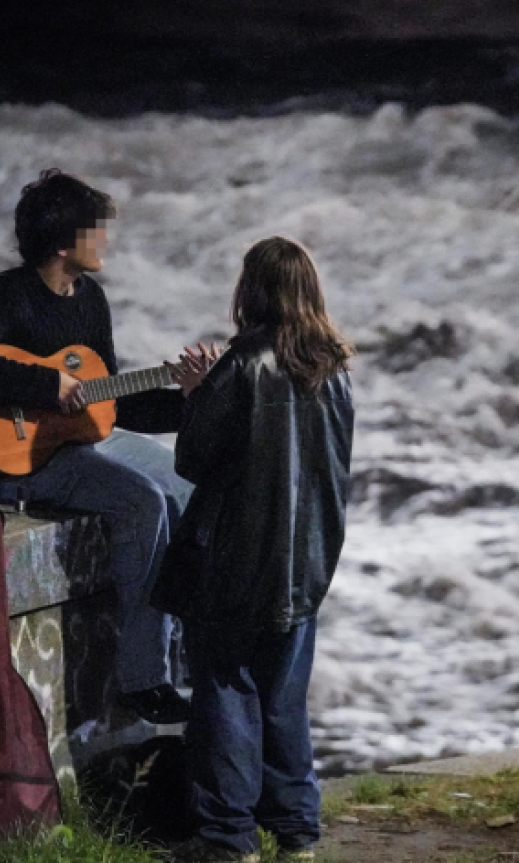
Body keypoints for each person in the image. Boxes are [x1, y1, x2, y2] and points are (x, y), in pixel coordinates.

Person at [0, 168, 212, 725]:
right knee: (142, 502)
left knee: (189, 484)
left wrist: (195, 402)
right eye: (96, 231)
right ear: (64, 244)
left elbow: (110, 405)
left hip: (89, 441)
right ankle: (144, 679)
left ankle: (194, 660)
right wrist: (45, 385)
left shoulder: (91, 299)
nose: (105, 240)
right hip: (25, 459)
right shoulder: (8, 294)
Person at [153, 236, 355, 863]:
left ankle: (230, 838)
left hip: (236, 563)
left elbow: (192, 458)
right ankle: (297, 832)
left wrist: (194, 394)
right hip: (308, 562)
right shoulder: (334, 368)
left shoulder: (241, 363)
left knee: (226, 696)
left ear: (253, 291)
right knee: (284, 700)